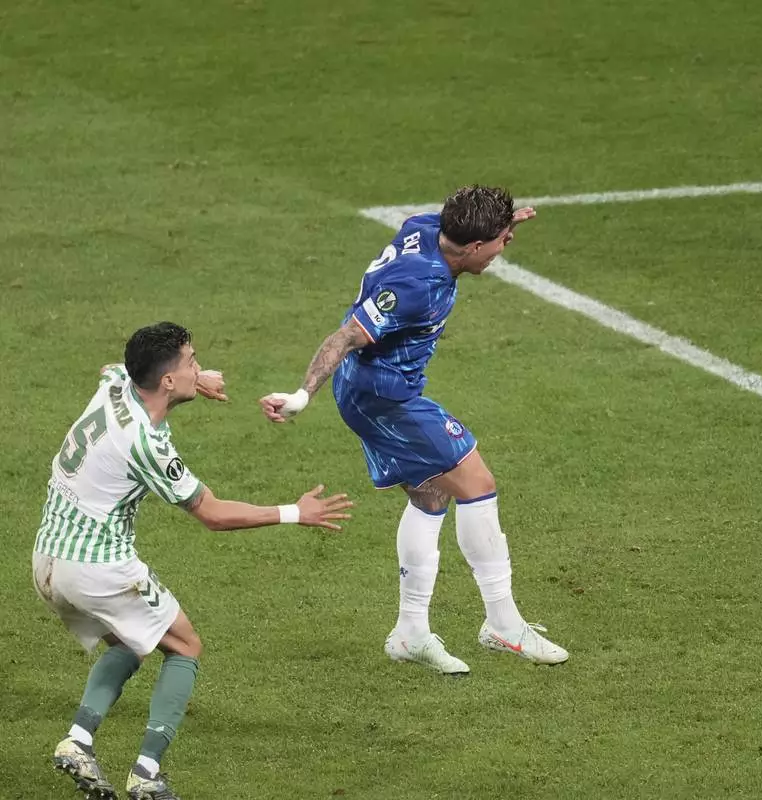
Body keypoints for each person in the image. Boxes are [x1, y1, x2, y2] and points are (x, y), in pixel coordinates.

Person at [34, 322, 353, 800]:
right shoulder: (146, 442)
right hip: (97, 565)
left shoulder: (116, 384)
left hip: (47, 559)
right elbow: (212, 513)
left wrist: (193, 381)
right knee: (184, 646)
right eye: (192, 362)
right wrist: (295, 512)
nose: (199, 367)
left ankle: (78, 742)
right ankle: (146, 776)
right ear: (166, 380)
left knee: (132, 641)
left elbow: (111, 368)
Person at [259, 184, 568, 675]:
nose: (503, 249)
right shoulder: (417, 284)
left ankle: (410, 633)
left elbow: (463, 221)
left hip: (373, 389)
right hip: (385, 398)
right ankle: (503, 624)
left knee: (431, 494)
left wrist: (501, 223)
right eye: (498, 243)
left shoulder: (428, 227)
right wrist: (301, 395)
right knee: (477, 484)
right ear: (472, 246)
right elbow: (347, 335)